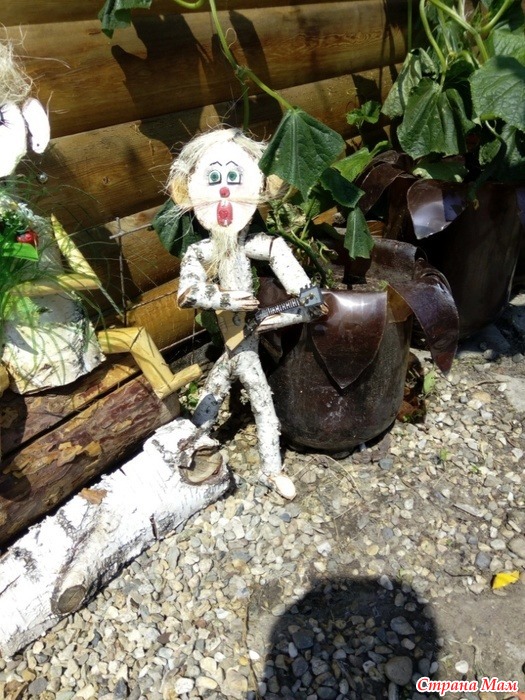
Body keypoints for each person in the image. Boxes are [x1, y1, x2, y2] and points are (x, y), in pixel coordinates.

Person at [170, 128, 325, 500]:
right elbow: (187, 294)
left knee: (226, 379)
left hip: (246, 335)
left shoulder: (265, 245)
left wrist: (279, 316)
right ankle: (264, 467)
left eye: (234, 177)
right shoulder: (199, 251)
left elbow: (311, 300)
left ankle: (196, 440)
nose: (225, 189)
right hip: (237, 334)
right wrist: (227, 299)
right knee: (248, 386)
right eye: (214, 178)